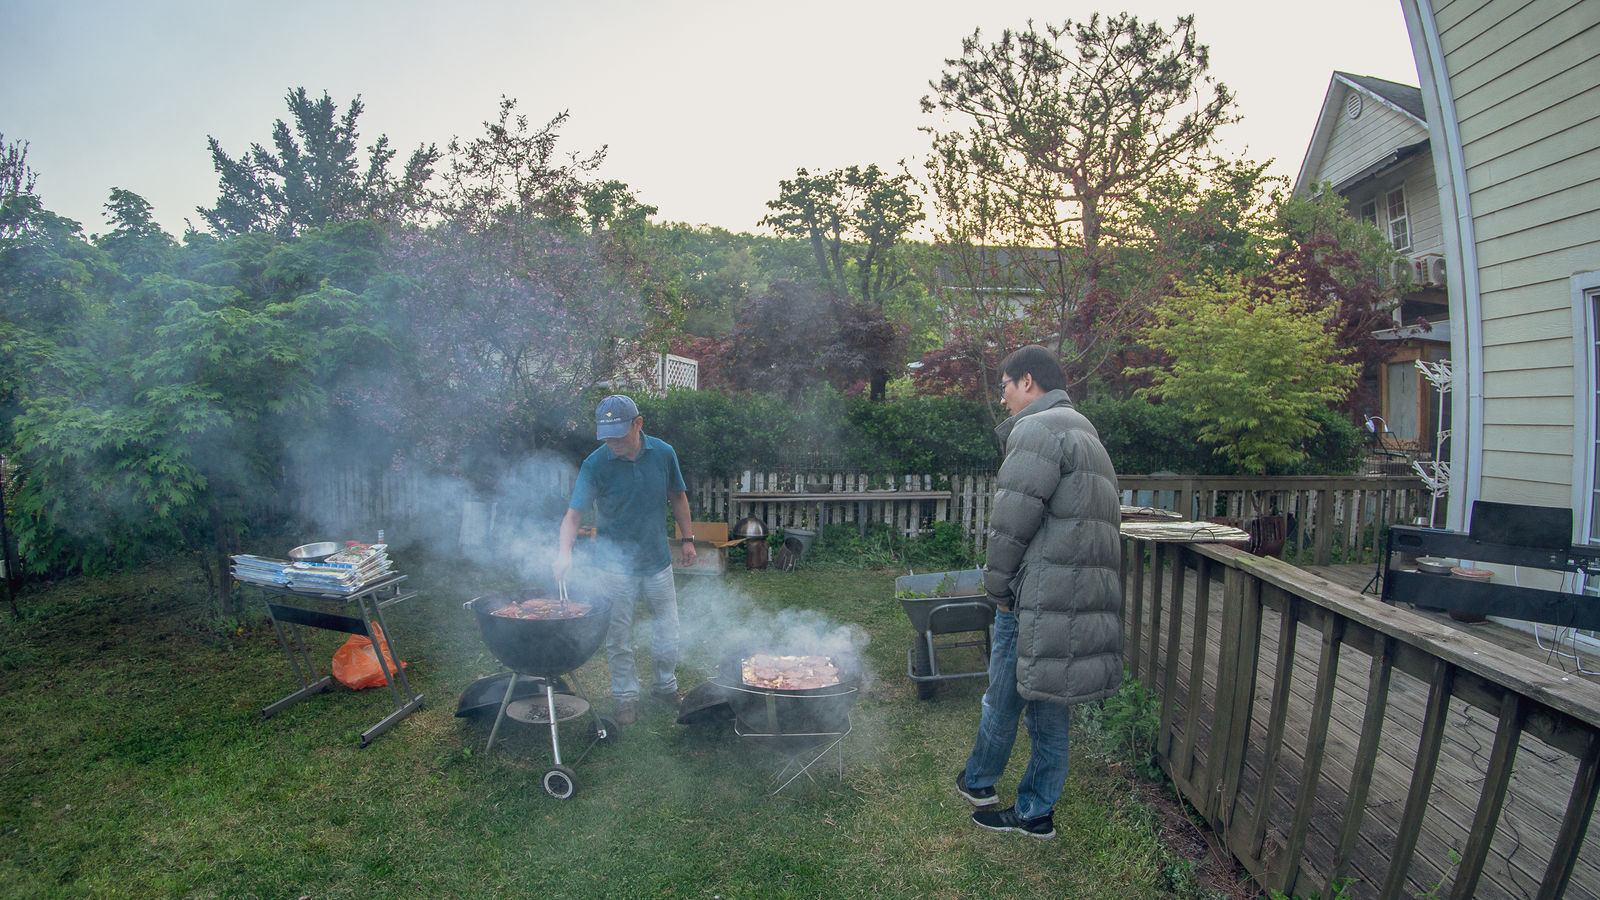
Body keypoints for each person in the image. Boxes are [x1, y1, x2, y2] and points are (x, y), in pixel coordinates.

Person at [954, 345, 1124, 840]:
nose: (1002, 397)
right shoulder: (1085, 432)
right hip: (1074, 600)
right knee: (1050, 704)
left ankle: (988, 787)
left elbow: (1011, 524)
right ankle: (1030, 808)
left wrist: (997, 589)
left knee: (1006, 696)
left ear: (1026, 381)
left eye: (1004, 386)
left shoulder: (1037, 430)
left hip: (1037, 599)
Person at [554, 394, 697, 727]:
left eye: (618, 435)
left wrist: (687, 539)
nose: (612, 443)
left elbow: (678, 497)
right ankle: (625, 698)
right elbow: (573, 516)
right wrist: (563, 553)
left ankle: (665, 687)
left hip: (657, 560)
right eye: (606, 436)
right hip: (613, 567)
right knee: (618, 637)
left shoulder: (663, 453)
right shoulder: (595, 464)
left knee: (668, 630)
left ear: (638, 424)